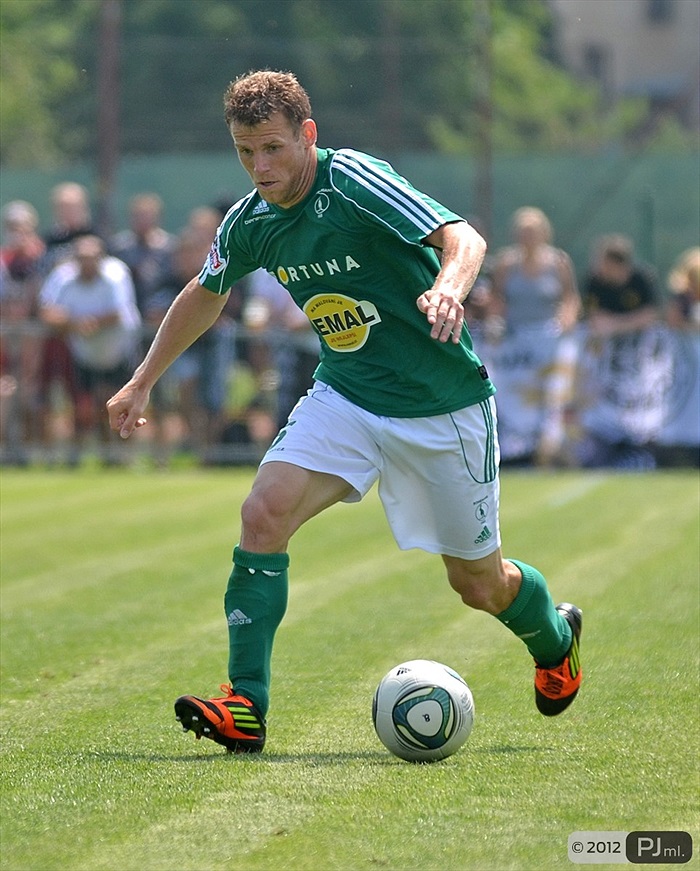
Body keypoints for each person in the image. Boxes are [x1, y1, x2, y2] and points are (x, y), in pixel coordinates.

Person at [107, 70, 582, 754]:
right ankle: (246, 703)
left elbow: (465, 238)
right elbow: (206, 291)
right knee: (262, 511)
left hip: (441, 405)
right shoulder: (252, 222)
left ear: (308, 135)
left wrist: (449, 288)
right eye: (245, 153)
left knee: (477, 582)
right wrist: (143, 378)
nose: (260, 167)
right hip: (349, 396)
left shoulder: (353, 180)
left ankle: (556, 638)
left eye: (272, 148)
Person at [487, 207, 581, 467]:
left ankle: (550, 449)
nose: (527, 237)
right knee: (514, 394)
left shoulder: (558, 262)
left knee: (552, 395)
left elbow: (570, 298)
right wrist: (496, 323)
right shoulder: (506, 262)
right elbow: (497, 299)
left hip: (549, 337)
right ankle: (516, 449)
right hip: (516, 340)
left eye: (532, 232)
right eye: (523, 232)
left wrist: (566, 320)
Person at [40, 235, 141, 464]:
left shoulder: (115, 275)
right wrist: (77, 324)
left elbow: (119, 312)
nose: (87, 263)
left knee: (118, 407)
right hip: (83, 354)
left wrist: (87, 323)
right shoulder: (63, 277)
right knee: (82, 407)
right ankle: (76, 457)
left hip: (118, 353)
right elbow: (47, 311)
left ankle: (122, 459)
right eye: (82, 258)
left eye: (91, 258)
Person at [575, 234, 664, 469]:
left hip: (639, 360)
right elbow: (594, 319)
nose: (598, 267)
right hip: (604, 361)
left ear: (616, 263)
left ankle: (643, 450)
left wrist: (617, 325)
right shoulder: (595, 281)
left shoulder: (642, 279)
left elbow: (651, 315)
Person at [109, 193, 174, 318]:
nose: (143, 221)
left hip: (160, 308)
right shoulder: (119, 247)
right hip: (129, 306)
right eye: (139, 216)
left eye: (147, 216)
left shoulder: (169, 248)